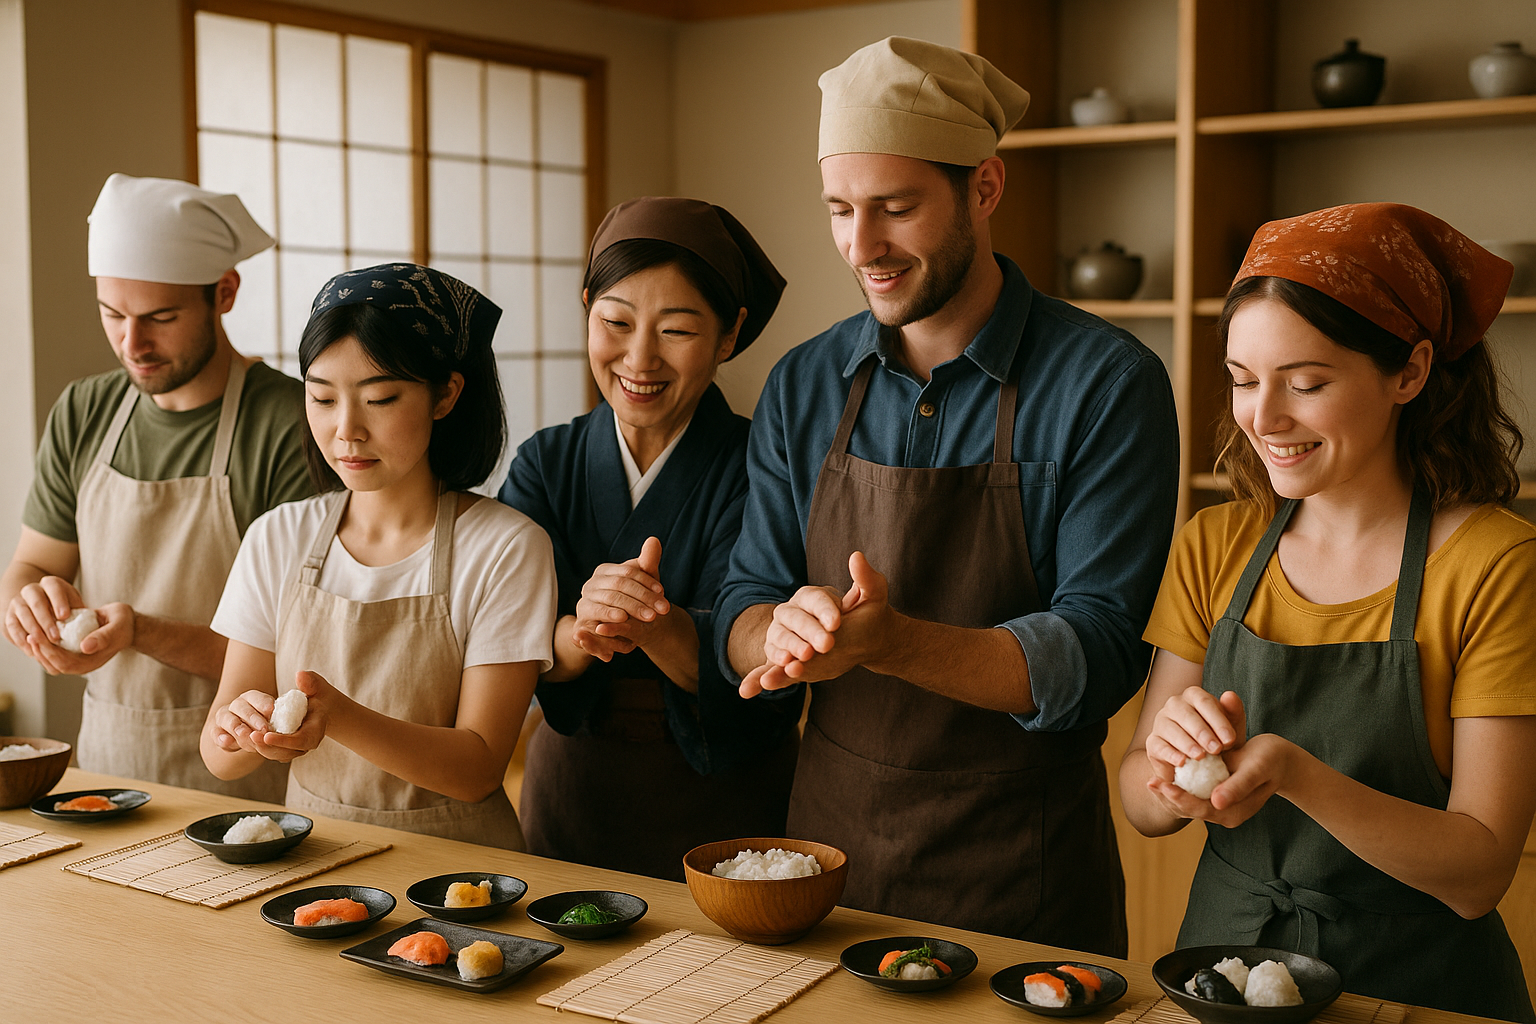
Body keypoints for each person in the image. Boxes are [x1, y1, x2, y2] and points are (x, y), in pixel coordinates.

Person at [716, 37, 1180, 953]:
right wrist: (784, 631)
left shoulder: (1106, 383)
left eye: (896, 208)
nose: (862, 246)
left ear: (985, 189)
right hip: (826, 858)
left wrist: (892, 645)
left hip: (1022, 875)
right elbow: (740, 601)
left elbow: (1098, 649)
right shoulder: (804, 384)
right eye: (840, 210)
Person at [1119, 203, 1536, 1023]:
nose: (1263, 419)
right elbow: (1136, 798)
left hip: (1421, 991)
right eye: (1243, 380)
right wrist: (1171, 777)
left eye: (1306, 384)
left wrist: (1296, 774)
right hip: (1224, 974)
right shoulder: (1215, 544)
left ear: (1408, 373)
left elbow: (1481, 868)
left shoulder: (1495, 565)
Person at [200, 264, 555, 848]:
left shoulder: (506, 548)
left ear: (446, 394)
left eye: (380, 398)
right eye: (321, 398)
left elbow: (478, 768)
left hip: (462, 882)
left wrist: (336, 716)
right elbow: (220, 758)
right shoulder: (276, 537)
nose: (346, 430)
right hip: (313, 866)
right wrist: (241, 731)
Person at [499, 196, 802, 881]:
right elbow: (506, 638)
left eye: (677, 330)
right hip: (574, 787)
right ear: (587, 309)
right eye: (616, 322)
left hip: (725, 799)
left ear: (729, 335)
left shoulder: (768, 464)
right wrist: (582, 633)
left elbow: (772, 659)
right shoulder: (545, 465)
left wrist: (651, 621)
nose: (640, 359)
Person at [0, 174, 309, 799]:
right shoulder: (84, 409)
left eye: (159, 318)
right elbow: (33, 562)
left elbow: (297, 649)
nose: (131, 344)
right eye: (112, 315)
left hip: (244, 772)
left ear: (224, 293)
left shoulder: (290, 423)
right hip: (105, 766)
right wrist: (28, 606)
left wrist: (138, 630)